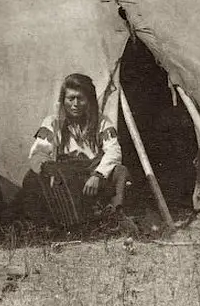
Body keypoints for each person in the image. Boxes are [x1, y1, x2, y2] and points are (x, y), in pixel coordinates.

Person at [21, 72, 129, 227]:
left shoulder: (102, 122)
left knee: (120, 171)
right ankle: (49, 225)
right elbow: (38, 152)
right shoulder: (53, 122)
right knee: (32, 176)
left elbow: (113, 151)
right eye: (71, 98)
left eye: (81, 98)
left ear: (89, 100)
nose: (75, 104)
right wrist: (48, 167)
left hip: (91, 175)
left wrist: (98, 175)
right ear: (63, 100)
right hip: (65, 174)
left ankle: (113, 216)